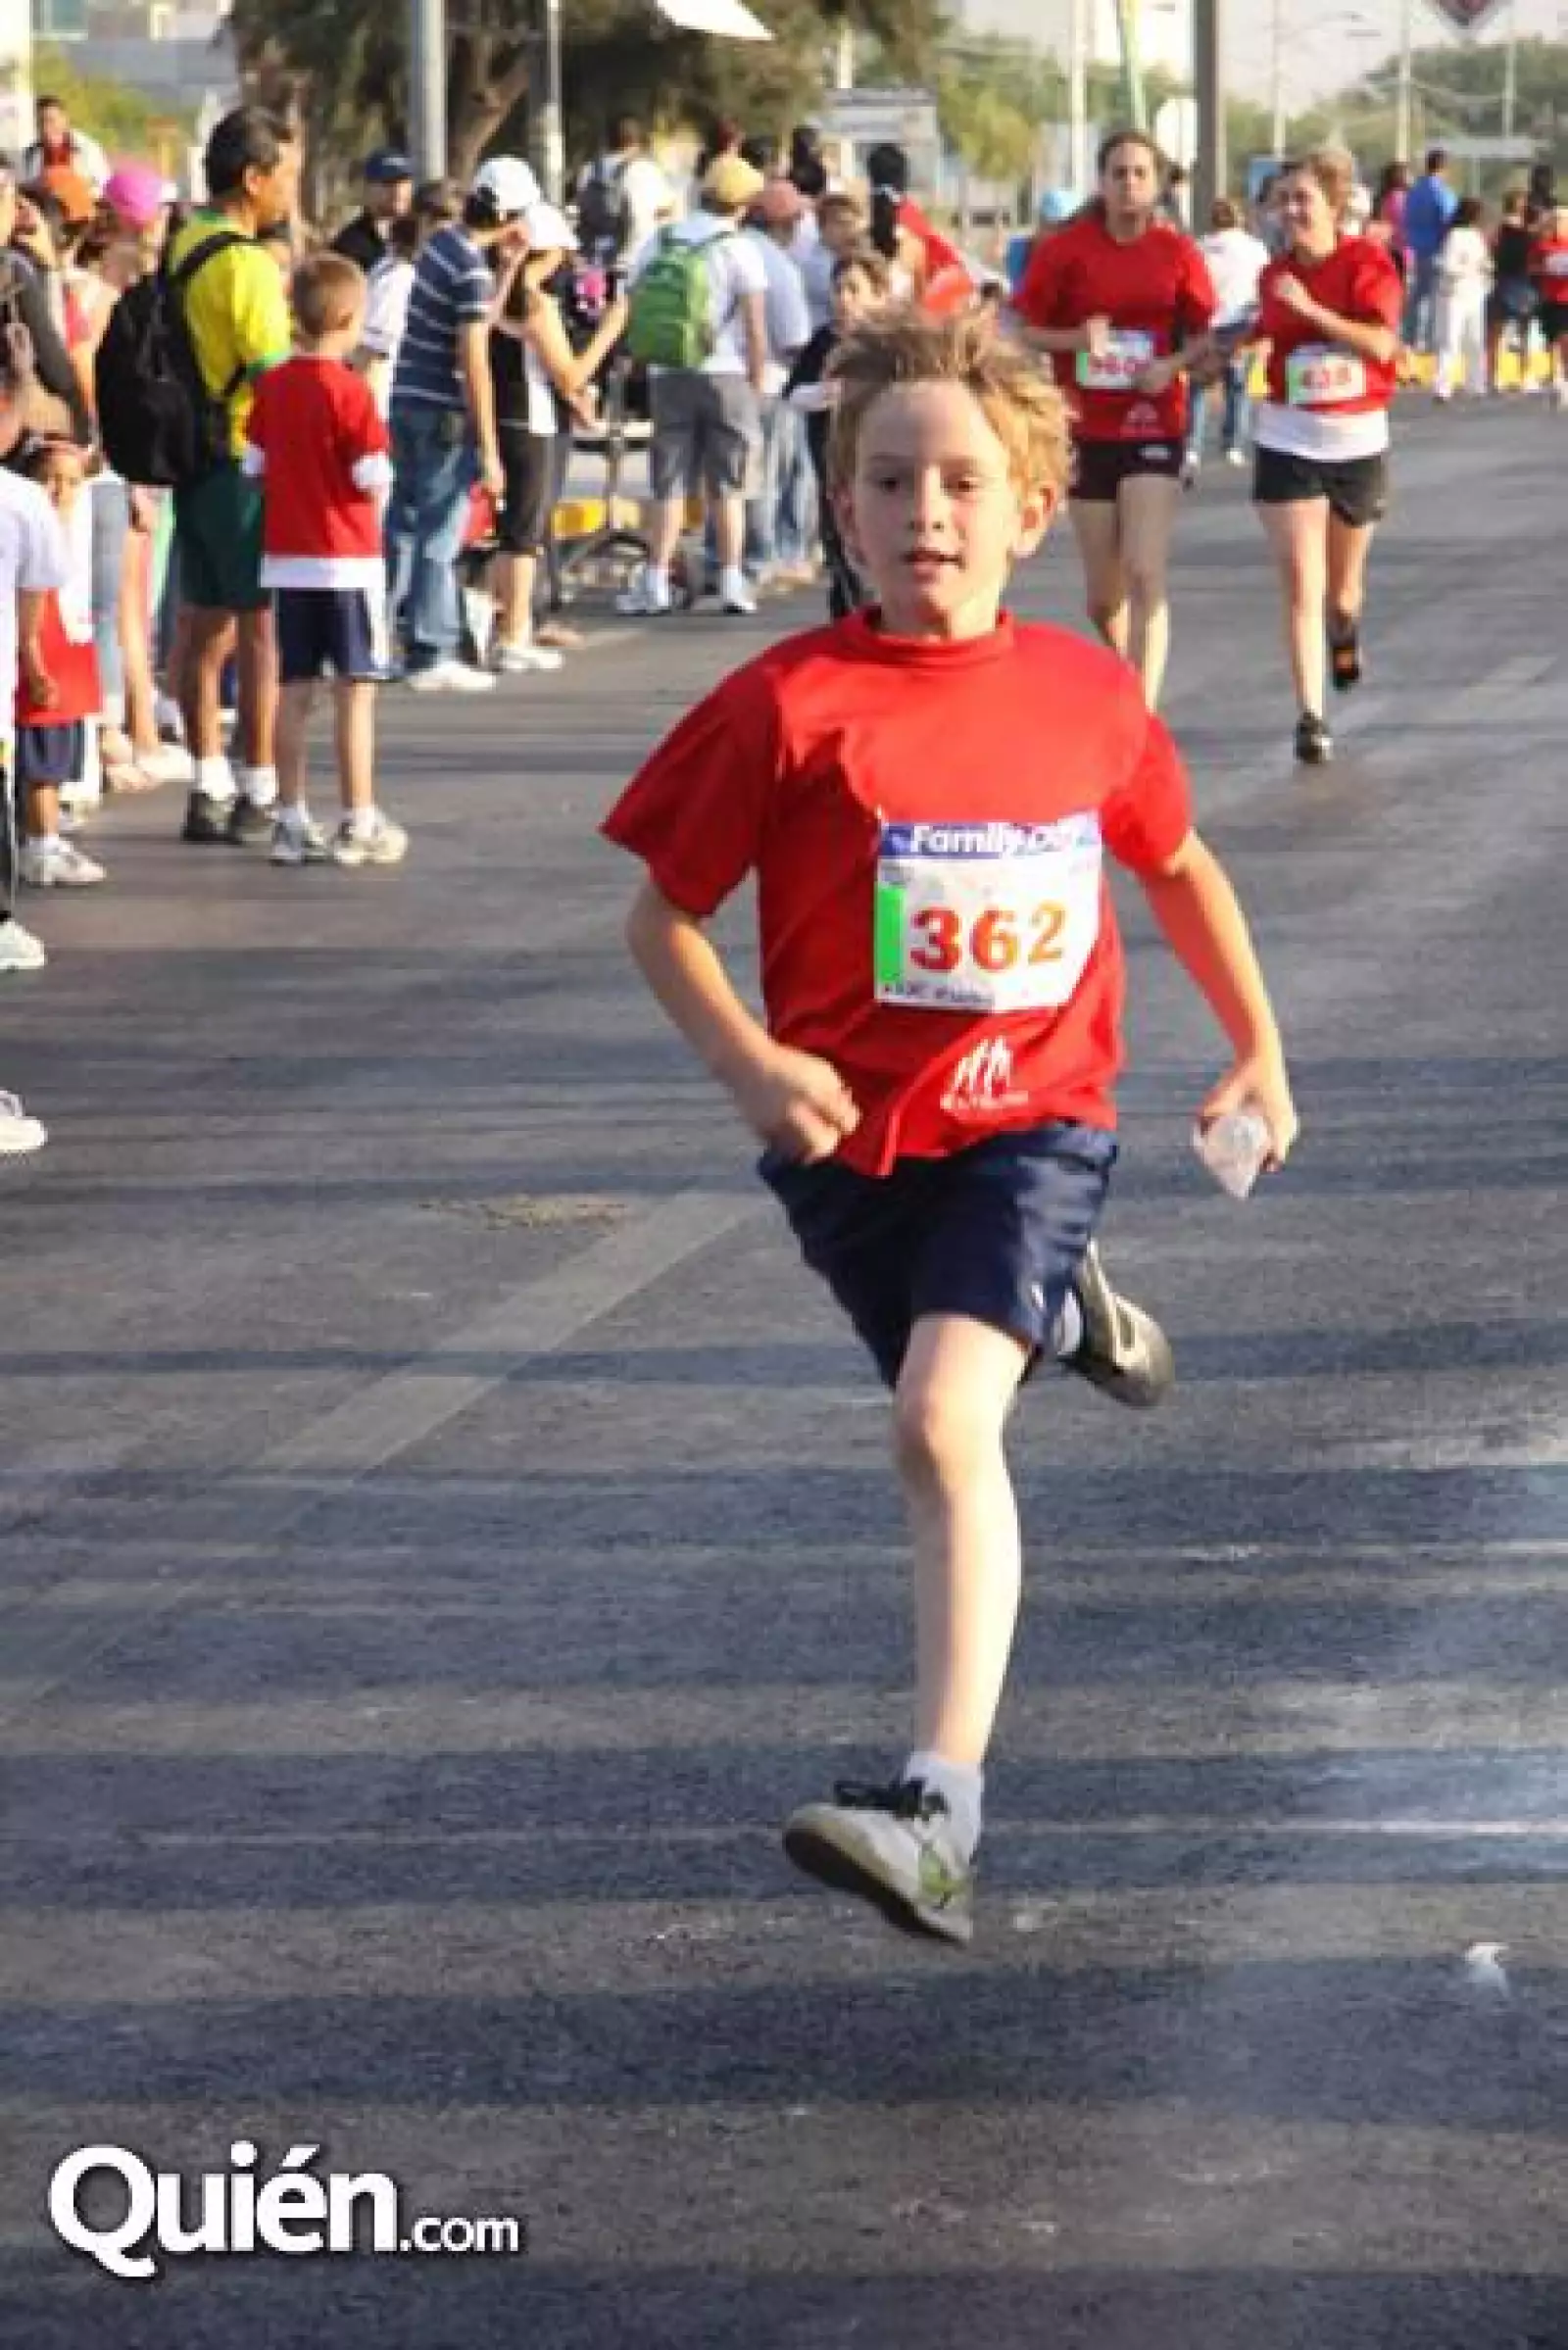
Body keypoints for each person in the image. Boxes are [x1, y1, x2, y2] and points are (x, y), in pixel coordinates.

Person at [601, 307, 1297, 1946]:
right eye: (892, 479)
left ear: (1031, 508)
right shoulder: (787, 703)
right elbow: (662, 917)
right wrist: (755, 1066)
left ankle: (941, 1805)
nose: (928, 511)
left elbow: (1177, 867)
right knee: (956, 1379)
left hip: (1039, 1122)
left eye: (964, 482)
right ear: (843, 508)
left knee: (936, 1425)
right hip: (846, 1145)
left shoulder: (1083, 693)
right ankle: (1066, 1305)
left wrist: (1259, 1043)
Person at [1010, 127, 1217, 711]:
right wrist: (1077, 340)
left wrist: (1170, 366)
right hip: (1085, 428)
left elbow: (1206, 342)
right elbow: (1022, 329)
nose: (1129, 184)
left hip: (1154, 422)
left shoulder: (1177, 252)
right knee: (1103, 598)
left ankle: (1141, 714)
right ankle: (1127, 670)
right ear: (1101, 183)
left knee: (1144, 568)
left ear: (1157, 183)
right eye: (1118, 173)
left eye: (1140, 174)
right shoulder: (1066, 250)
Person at [242, 250, 406, 870]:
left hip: (288, 559)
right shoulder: (351, 392)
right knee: (354, 691)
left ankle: (289, 818)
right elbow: (371, 475)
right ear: (344, 316)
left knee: (294, 690)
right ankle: (358, 816)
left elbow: (253, 468)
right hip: (348, 558)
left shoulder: (274, 386)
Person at [1240, 148, 1401, 767]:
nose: (1292, 210)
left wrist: (1315, 313)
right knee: (1301, 586)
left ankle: (1345, 630)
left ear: (1335, 205)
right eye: (1283, 200)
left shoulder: (1367, 265)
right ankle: (1311, 716)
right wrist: (1234, 341)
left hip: (1357, 441)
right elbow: (1268, 330)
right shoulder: (1272, 274)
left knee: (1341, 592)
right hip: (1288, 436)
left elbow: (1383, 344)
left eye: (1303, 198)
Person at [165, 105, 298, 845]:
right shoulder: (246, 266)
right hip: (246, 459)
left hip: (192, 457)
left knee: (202, 626)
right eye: (286, 178)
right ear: (253, 179)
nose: (289, 193)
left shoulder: (185, 243)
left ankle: (206, 781)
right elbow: (275, 380)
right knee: (261, 631)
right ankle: (259, 786)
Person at [386, 154, 539, 691]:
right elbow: (474, 358)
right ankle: (431, 648)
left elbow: (476, 316)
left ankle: (390, 635)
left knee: (404, 523)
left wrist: (509, 269)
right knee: (439, 527)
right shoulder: (469, 267)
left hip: (405, 397)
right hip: (439, 409)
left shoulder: (445, 248)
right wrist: (491, 450)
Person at [620, 154, 768, 618]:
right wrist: (758, 380)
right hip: (724, 372)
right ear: (742, 204)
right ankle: (729, 579)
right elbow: (755, 326)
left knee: (669, 483)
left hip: (668, 373)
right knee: (727, 485)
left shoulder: (661, 240)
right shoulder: (739, 247)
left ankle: (656, 580)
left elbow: (633, 301)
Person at [487, 202, 628, 673]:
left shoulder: (498, 293)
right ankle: (514, 633)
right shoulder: (534, 302)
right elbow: (568, 375)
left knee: (515, 531)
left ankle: (506, 622)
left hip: (509, 417)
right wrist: (610, 330)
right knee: (524, 534)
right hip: (531, 420)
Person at [14, 437, 103, 889]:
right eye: (48, 480)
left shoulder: (76, 533)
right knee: (40, 762)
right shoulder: (27, 537)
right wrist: (33, 666)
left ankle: (46, 835)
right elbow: (26, 616)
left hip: (69, 655)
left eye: (71, 482)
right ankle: (40, 844)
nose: (59, 491)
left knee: (60, 755)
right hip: (41, 659)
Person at [785, 247, 893, 618]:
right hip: (832, 465)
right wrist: (824, 393)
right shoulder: (824, 342)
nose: (843, 300)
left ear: (880, 295)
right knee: (840, 548)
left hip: (883, 466)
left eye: (854, 290)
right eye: (838, 290)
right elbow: (794, 394)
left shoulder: (892, 345)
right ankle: (850, 619)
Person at [744, 177, 815, 589]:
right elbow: (794, 338)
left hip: (721, 378)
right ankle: (768, 557)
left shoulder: (729, 249)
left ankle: (731, 559)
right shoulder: (777, 264)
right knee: (772, 477)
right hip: (771, 381)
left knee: (735, 480)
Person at [357, 178, 463, 414]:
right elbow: (371, 357)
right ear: (424, 221)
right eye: (446, 220)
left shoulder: (422, 273)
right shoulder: (399, 277)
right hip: (390, 416)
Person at [1185, 194, 1269, 477]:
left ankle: (1191, 447)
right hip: (1241, 323)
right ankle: (1232, 444)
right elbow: (1263, 286)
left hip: (1205, 322)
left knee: (1198, 388)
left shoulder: (1199, 248)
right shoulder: (1255, 249)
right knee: (1238, 387)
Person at [575, 116, 673, 269]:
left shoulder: (589, 169)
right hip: (634, 261)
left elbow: (581, 211)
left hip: (593, 260)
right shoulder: (644, 170)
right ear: (638, 141)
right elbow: (666, 210)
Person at [1433, 198, 1492, 402]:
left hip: (1475, 294)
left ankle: (1476, 384)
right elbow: (1448, 267)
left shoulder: (1477, 236)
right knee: (1450, 340)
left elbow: (1485, 263)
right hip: (1455, 295)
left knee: (1475, 341)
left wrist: (1485, 270)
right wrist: (1470, 269)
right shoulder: (1455, 236)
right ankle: (1442, 387)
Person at [1400, 148, 1457, 354]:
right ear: (1444, 168)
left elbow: (1406, 219)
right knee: (1436, 300)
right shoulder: (1442, 192)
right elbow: (1449, 220)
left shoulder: (1415, 191)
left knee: (1416, 297)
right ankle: (1433, 345)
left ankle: (1408, 340)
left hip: (1417, 249)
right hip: (1439, 249)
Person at [332, 149, 415, 277]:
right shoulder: (350, 245)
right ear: (367, 188)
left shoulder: (421, 235)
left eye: (403, 182)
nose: (398, 190)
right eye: (388, 183)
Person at [1487, 189, 1536, 395]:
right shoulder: (1526, 230)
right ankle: (1521, 375)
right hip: (1517, 280)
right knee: (1522, 332)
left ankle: (1493, 377)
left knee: (1497, 332)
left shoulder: (1500, 229)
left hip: (1507, 279)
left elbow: (1492, 249)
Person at [23, 96, 109, 203]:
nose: (45, 127)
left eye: (51, 120)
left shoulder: (87, 148)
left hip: (81, 208)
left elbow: (104, 186)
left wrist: (72, 188)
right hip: (44, 209)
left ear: (64, 120)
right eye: (40, 122)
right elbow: (27, 187)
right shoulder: (31, 153)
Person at [1528, 201, 1568, 407]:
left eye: (1563, 221)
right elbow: (1531, 267)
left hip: (1566, 298)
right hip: (1550, 299)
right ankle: (1556, 381)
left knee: (1565, 340)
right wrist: (1546, 268)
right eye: (1557, 220)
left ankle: (1565, 381)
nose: (1560, 224)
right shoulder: (1543, 245)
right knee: (1552, 341)